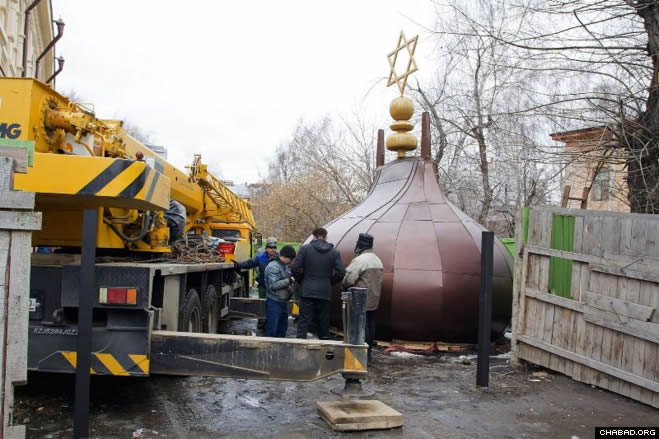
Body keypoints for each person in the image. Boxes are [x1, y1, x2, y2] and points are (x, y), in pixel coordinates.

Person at [292, 227, 345, 339]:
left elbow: (295, 268)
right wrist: (329, 282)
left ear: (313, 236)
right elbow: (341, 272)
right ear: (326, 237)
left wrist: (303, 280)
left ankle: (299, 349)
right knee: (324, 322)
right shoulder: (334, 252)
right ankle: (323, 349)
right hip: (324, 292)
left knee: (304, 321)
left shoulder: (305, 249)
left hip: (307, 291)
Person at [342, 233, 383, 361]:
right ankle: (368, 354)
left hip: (360, 299)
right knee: (371, 327)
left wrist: (344, 285)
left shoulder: (360, 260)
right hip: (374, 299)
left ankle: (359, 356)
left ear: (359, 244)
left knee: (360, 329)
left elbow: (349, 278)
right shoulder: (377, 260)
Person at [234, 237, 278, 330]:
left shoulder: (279, 258)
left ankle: (272, 324)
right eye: (270, 248)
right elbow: (250, 263)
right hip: (263, 286)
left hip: (275, 288)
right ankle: (261, 323)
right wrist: (240, 264)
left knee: (273, 305)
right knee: (262, 305)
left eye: (274, 248)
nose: (272, 250)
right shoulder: (260, 258)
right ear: (266, 249)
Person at [263, 245, 297, 337]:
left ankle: (279, 350)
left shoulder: (284, 265)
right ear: (285, 257)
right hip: (274, 302)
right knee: (271, 330)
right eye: (290, 259)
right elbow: (273, 285)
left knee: (281, 330)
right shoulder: (273, 266)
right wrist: (290, 280)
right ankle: (268, 350)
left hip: (282, 301)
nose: (291, 261)